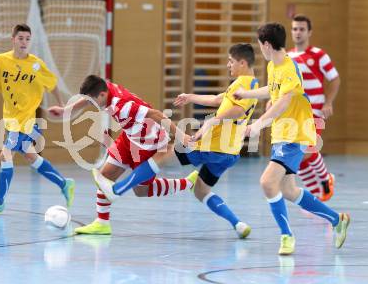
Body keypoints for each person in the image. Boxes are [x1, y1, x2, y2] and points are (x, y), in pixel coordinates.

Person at [91, 43, 260, 239]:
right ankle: (238, 224)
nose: (228, 65)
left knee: (162, 155)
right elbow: (217, 100)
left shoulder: (244, 84)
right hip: (230, 153)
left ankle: (117, 190)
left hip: (213, 144)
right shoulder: (245, 85)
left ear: (242, 62)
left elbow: (237, 111)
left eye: (231, 61)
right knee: (201, 190)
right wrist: (190, 97)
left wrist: (212, 122)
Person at [234, 22, 349, 255]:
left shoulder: (289, 67)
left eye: (259, 45)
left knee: (267, 183)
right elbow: (272, 91)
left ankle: (286, 236)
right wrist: (246, 93)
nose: (260, 49)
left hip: (294, 133)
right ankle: (338, 220)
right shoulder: (273, 65)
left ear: (266, 44)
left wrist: (258, 124)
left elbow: (284, 101)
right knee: (288, 190)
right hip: (281, 133)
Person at [49, 75, 192, 235]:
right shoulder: (104, 88)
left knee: (141, 191)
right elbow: (88, 99)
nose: (92, 105)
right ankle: (102, 223)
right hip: (130, 136)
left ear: (102, 95)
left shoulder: (121, 105)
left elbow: (156, 114)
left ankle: (188, 183)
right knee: (104, 176)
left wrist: (180, 135)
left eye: (93, 101)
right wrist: (65, 111)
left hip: (149, 142)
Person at [0, 24, 75, 214]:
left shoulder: (36, 64)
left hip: (26, 120)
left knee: (5, 154)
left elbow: (52, 84)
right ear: (13, 39)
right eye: (20, 38)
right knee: (31, 156)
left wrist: (61, 105)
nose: (24, 42)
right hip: (11, 119)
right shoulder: (0, 61)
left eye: (27, 39)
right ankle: (64, 184)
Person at [288, 14, 341, 201]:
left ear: (309, 32)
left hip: (315, 111)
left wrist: (328, 102)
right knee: (298, 156)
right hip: (295, 114)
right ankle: (317, 193)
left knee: (309, 149)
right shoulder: (287, 57)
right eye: (295, 29)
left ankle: (326, 178)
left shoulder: (319, 55)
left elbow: (334, 79)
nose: (298, 32)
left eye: (302, 29)